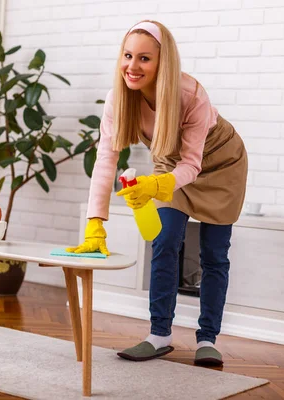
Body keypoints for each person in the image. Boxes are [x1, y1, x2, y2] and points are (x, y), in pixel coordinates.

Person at [66, 20, 248, 366]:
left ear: (163, 62)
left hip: (222, 164)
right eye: (128, 55)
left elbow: (193, 165)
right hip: (169, 162)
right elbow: (105, 159)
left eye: (145, 59)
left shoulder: (191, 95)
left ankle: (208, 338)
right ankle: (159, 334)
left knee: (213, 253)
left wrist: (156, 185)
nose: (133, 67)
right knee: (164, 240)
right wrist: (95, 223)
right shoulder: (118, 99)